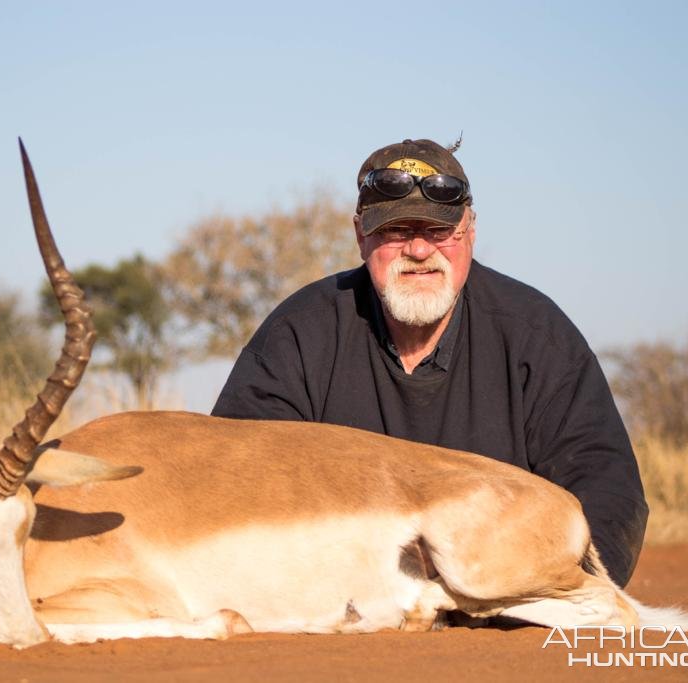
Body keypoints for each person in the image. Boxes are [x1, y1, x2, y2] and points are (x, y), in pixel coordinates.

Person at [211, 137, 648, 587]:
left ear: (470, 231)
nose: (419, 250)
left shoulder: (538, 337)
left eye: (439, 230)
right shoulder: (298, 336)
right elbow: (235, 479)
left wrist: (565, 589)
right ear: (361, 236)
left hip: (502, 592)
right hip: (344, 601)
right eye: (396, 231)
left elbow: (607, 486)